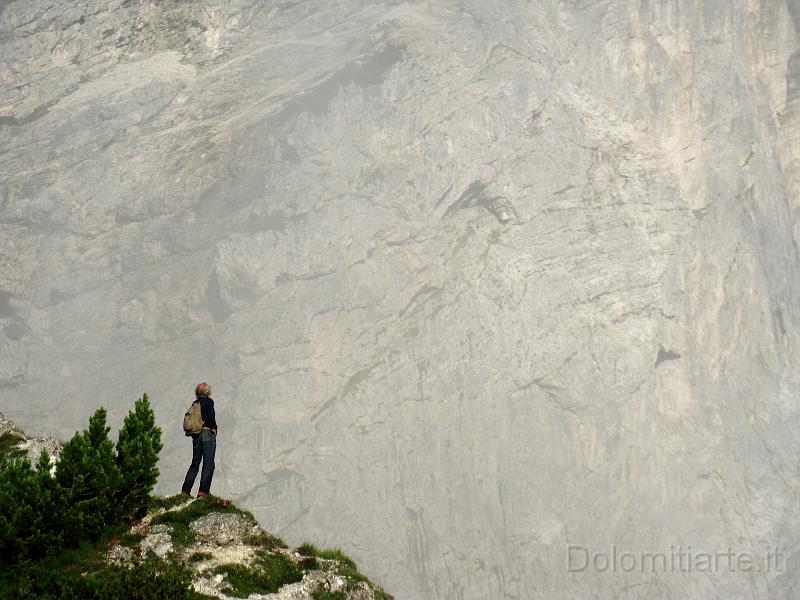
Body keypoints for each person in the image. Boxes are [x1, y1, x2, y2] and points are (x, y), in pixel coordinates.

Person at [181, 382, 218, 497]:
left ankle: (185, 491)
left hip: (196, 436)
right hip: (207, 434)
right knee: (208, 462)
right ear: (206, 392)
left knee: (195, 463)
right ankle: (203, 491)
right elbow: (211, 417)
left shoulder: (195, 404)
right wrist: (214, 429)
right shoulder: (209, 401)